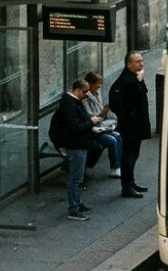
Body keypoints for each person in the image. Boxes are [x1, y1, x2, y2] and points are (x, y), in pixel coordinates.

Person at [50, 79, 97, 219]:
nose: (86, 95)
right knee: (75, 179)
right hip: (75, 145)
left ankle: (78, 202)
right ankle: (74, 208)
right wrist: (91, 122)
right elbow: (75, 127)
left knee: (78, 177)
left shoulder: (71, 103)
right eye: (84, 92)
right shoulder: (71, 106)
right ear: (76, 90)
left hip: (78, 143)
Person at [109, 51, 152, 199]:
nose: (141, 63)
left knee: (133, 155)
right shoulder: (125, 81)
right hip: (131, 127)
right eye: (138, 62)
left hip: (136, 125)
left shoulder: (134, 78)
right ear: (129, 64)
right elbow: (115, 101)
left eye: (141, 60)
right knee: (129, 156)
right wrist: (128, 114)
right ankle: (126, 187)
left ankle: (130, 183)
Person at [82, 71, 122, 179]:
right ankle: (114, 168)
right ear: (90, 84)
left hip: (100, 125)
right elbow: (89, 116)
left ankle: (117, 166)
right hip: (92, 129)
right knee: (111, 140)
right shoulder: (85, 98)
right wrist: (101, 114)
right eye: (97, 83)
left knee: (117, 136)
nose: (99, 86)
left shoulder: (97, 94)